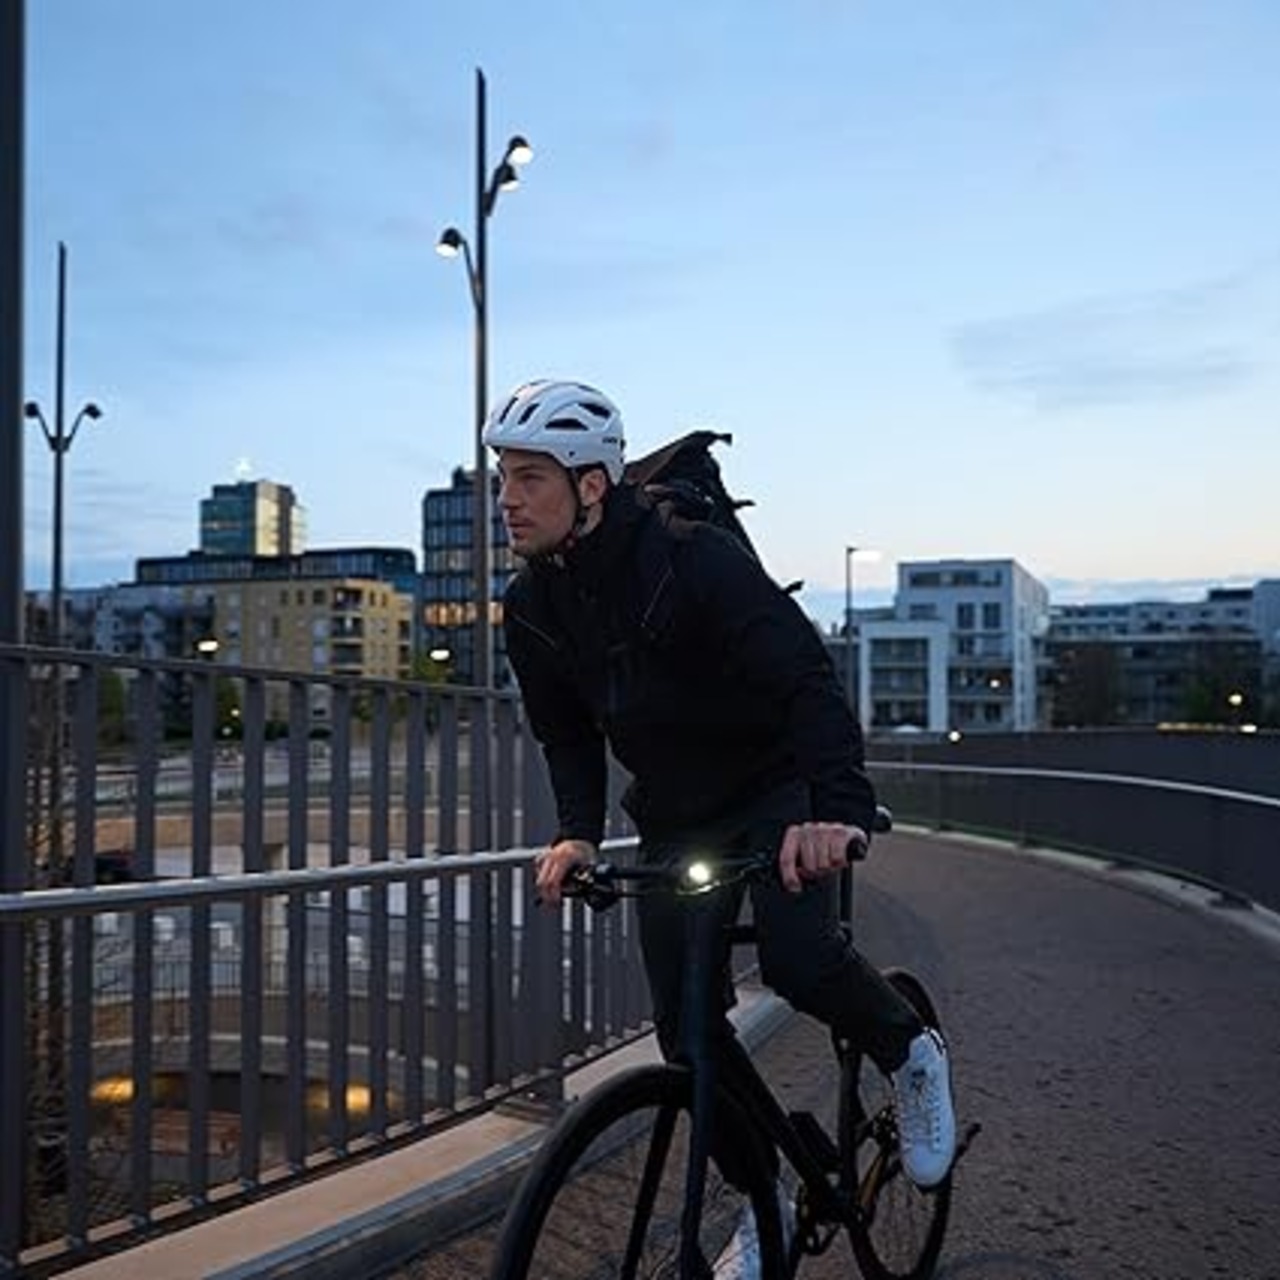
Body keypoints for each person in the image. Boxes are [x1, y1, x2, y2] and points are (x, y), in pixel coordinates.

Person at [489, 378, 956, 1188]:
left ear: (591, 485)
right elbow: (566, 733)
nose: (508, 499)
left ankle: (910, 1049)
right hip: (677, 813)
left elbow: (805, 678)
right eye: (504, 478)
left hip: (776, 789)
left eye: (530, 478)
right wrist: (578, 833)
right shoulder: (530, 605)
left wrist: (836, 813)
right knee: (688, 1033)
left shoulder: (691, 556)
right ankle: (765, 1201)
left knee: (799, 961)